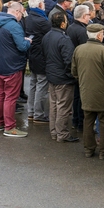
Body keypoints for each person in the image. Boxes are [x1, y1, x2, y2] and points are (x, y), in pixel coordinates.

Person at [71, 23, 104, 160]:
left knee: (88, 121)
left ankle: (88, 149)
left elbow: (74, 71)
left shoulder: (78, 50)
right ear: (99, 35)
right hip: (103, 93)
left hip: (86, 91)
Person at [0, 2, 32, 137]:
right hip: (13, 66)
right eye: (22, 13)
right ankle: (10, 128)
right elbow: (21, 46)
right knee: (10, 97)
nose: (22, 17)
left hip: (0, 65)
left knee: (0, 94)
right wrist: (28, 41)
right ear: (17, 12)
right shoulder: (14, 25)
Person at [42, 11, 78, 143]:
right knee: (63, 106)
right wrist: (72, 75)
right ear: (63, 24)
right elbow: (69, 61)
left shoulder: (47, 36)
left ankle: (54, 132)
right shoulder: (64, 39)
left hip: (51, 75)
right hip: (63, 78)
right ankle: (62, 133)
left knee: (54, 105)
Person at [25, 0, 51, 123]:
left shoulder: (29, 17)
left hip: (33, 54)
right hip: (41, 55)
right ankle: (39, 114)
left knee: (33, 83)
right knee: (42, 84)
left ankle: (31, 111)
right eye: (44, 3)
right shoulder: (42, 20)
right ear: (40, 4)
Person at [66, 4, 91, 131]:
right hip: (80, 66)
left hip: (73, 64)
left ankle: (76, 120)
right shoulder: (82, 31)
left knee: (76, 96)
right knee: (81, 96)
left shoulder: (71, 27)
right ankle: (80, 122)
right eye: (88, 15)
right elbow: (85, 49)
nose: (90, 17)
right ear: (83, 16)